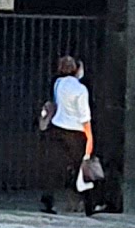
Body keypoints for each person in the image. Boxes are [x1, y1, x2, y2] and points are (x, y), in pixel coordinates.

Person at [39, 53, 97, 212]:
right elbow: (84, 116)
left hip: (57, 128)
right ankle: (89, 203)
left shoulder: (58, 83)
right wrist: (89, 136)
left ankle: (48, 199)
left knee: (55, 166)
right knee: (81, 167)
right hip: (76, 132)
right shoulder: (81, 89)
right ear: (77, 70)